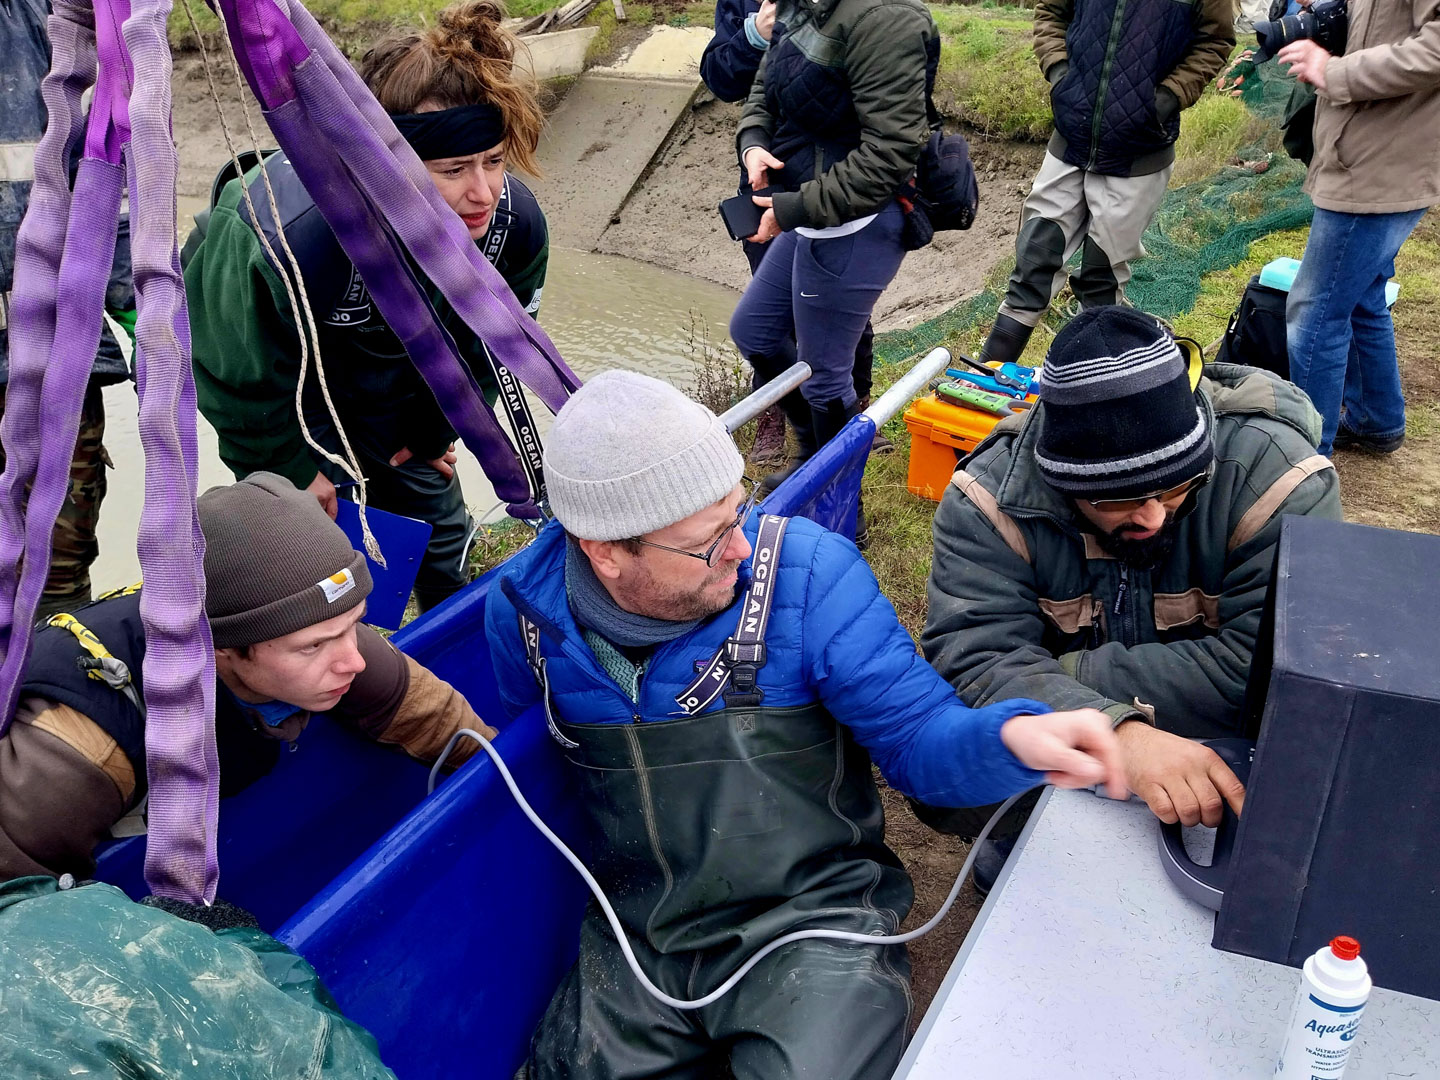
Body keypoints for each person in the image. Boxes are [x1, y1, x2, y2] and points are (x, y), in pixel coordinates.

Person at [485, 369, 1125, 1080]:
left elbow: (918, 738)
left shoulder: (809, 574)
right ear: (605, 551)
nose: (740, 547)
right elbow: (540, 792)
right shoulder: (522, 619)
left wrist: (1008, 740)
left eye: (739, 511)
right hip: (639, 934)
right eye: (708, 540)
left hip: (811, 924)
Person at [921, 307, 1342, 886]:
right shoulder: (988, 501)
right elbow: (974, 661)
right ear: (1062, 482)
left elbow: (1273, 671)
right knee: (951, 746)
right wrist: (1117, 732)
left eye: (1176, 487)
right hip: (1068, 751)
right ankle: (1027, 832)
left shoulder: (1279, 482)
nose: (1152, 516)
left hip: (1226, 741)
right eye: (1117, 499)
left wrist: (1066, 682)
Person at [183, 0, 549, 611]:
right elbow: (236, 381)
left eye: (493, 162)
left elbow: (492, 351)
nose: (483, 192)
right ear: (385, 166)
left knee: (439, 541)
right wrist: (290, 468)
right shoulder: (282, 233)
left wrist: (436, 429)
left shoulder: (514, 226)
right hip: (290, 396)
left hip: (398, 387)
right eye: (454, 169)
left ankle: (441, 644)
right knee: (309, 560)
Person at [0, 471, 496, 883]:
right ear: (219, 649)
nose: (353, 661)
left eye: (353, 625)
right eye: (315, 646)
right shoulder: (79, 748)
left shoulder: (316, 634)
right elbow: (17, 905)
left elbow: (440, 721)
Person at [726, 0, 935, 503]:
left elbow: (889, 153)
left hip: (860, 218)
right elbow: (764, 87)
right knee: (754, 331)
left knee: (824, 377)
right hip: (809, 208)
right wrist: (753, 143)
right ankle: (811, 458)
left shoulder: (887, 19)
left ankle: (842, 503)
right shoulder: (798, 6)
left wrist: (792, 209)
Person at [974, 0, 1234, 366]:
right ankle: (982, 382)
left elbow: (1216, 41)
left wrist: (1166, 98)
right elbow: (1050, 13)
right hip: (1071, 141)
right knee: (1034, 264)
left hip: (1138, 154)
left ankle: (1093, 385)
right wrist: (1061, 74)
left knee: (1101, 281)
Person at [699, 0, 883, 471]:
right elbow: (721, 78)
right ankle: (777, 416)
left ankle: (855, 412)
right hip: (769, 180)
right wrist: (754, 36)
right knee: (769, 315)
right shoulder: (741, 4)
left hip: (841, 181)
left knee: (844, 312)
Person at [1, 0, 136, 620]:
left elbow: (109, 173)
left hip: (57, 356)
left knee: (58, 576)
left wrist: (140, 308)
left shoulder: (56, 21)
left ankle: (55, 674)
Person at [1279, 0, 1440, 456]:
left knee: (1314, 312)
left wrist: (1334, 72)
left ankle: (1304, 461)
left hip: (1379, 163)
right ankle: (1376, 419)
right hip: (1374, 153)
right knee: (1363, 294)